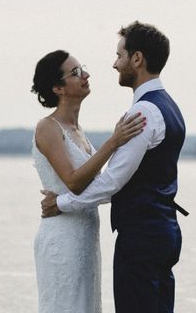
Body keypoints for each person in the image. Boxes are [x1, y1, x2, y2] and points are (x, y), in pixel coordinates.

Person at [41, 21, 187, 313]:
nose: (114, 64)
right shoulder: (170, 107)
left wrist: (61, 204)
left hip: (142, 238)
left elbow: (112, 181)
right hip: (163, 231)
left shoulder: (142, 112)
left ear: (137, 59)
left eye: (119, 55)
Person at [31, 49, 145, 313]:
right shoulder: (47, 127)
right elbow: (73, 182)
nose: (86, 75)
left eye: (82, 68)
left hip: (86, 238)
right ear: (58, 87)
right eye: (76, 73)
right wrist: (114, 142)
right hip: (62, 238)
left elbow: (100, 184)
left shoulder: (79, 131)